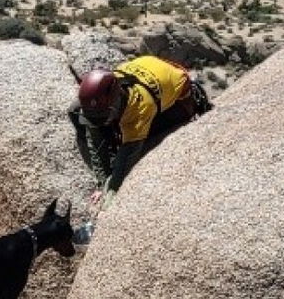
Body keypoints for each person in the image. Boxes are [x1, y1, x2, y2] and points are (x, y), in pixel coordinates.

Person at [70, 56, 212, 206]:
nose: (97, 121)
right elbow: (94, 139)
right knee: (75, 112)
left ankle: (188, 107)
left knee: (143, 143)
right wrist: (103, 180)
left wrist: (109, 191)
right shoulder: (106, 93)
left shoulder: (140, 109)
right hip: (149, 66)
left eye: (102, 116)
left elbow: (125, 160)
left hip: (178, 96)